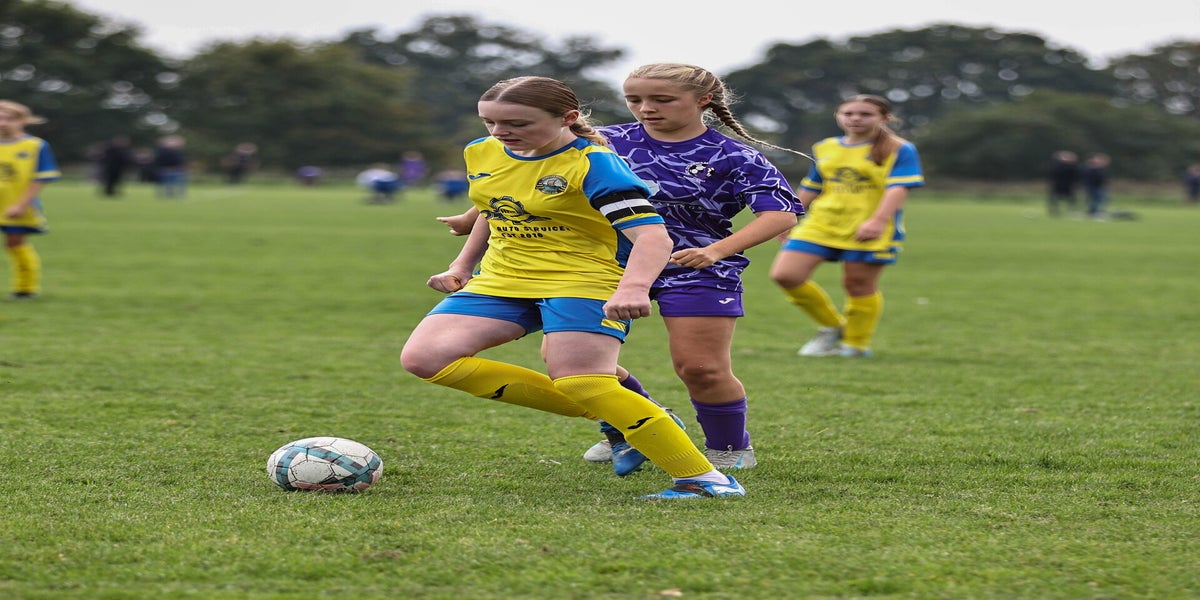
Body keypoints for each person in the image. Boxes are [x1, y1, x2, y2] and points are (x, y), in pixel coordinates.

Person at [437, 64, 806, 474]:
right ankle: (636, 423)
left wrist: (716, 251)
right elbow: (520, 179)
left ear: (704, 100)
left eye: (662, 100)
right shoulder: (602, 140)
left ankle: (729, 447)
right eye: (634, 99)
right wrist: (471, 216)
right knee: (574, 363)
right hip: (603, 264)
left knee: (700, 368)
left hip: (694, 267)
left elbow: (780, 215)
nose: (646, 108)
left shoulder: (735, 155)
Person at [769, 94, 925, 358]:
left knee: (858, 285)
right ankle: (832, 326)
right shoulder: (824, 147)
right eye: (848, 113)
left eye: (865, 114)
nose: (855, 118)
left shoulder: (900, 149)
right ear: (838, 116)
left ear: (884, 118)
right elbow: (812, 186)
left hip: (867, 227)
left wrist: (878, 221)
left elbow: (898, 188)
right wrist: (790, 216)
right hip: (821, 224)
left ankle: (855, 345)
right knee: (785, 275)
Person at [0, 100, 61, 301]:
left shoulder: (35, 146)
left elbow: (40, 178)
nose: (3, 123)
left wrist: (21, 205)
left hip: (16, 205)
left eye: (9, 119)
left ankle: (25, 288)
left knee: (14, 243)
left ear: (23, 121)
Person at [1046, 150, 1079, 217]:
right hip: (1057, 185)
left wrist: (1073, 163)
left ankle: (1071, 211)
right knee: (1055, 199)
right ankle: (1054, 211)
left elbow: (1076, 173)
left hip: (1068, 185)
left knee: (1071, 199)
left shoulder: (1072, 166)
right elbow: (1054, 172)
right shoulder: (1057, 165)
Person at [1082, 152, 1111, 220]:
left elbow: (1104, 178)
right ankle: (1093, 212)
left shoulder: (1100, 169)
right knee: (1096, 200)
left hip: (1099, 186)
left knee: (1101, 199)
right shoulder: (1091, 169)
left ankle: (1095, 211)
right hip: (1093, 186)